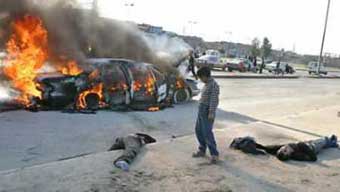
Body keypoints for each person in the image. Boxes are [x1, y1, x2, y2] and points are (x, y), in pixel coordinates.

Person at [230, 135, 338, 161]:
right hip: (312, 147)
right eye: (285, 150)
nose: (284, 147)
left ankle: (332, 144)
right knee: (324, 140)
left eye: (282, 149)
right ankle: (332, 140)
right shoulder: (297, 155)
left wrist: (255, 145)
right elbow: (313, 158)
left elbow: (267, 148)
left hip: (305, 143)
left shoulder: (279, 150)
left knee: (326, 144)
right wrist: (302, 145)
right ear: (289, 154)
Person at [192, 67, 220, 164]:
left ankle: (214, 154)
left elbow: (214, 100)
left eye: (201, 78)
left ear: (205, 76)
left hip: (207, 111)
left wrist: (211, 112)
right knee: (198, 131)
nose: (200, 80)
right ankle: (202, 150)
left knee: (207, 133)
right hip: (202, 110)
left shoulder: (214, 85)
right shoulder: (207, 84)